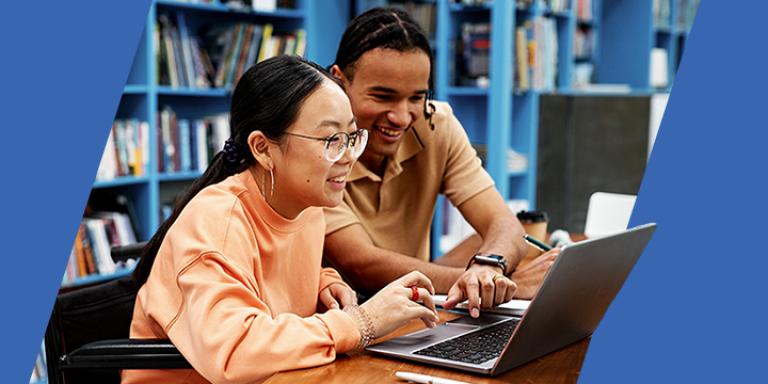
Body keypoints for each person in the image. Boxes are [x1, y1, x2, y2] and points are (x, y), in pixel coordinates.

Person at [122, 56, 439, 384]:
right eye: (332, 140)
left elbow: (270, 268)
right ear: (263, 148)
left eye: (351, 138)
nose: (348, 157)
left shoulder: (305, 204)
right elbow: (235, 351)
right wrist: (360, 323)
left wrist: (324, 283)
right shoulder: (217, 221)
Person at [323, 8, 560, 318]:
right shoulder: (317, 143)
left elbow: (504, 225)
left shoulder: (437, 124)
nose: (401, 116)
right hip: (345, 319)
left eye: (416, 97)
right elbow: (361, 263)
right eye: (382, 96)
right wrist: (503, 283)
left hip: (417, 311)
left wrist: (489, 267)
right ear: (339, 81)